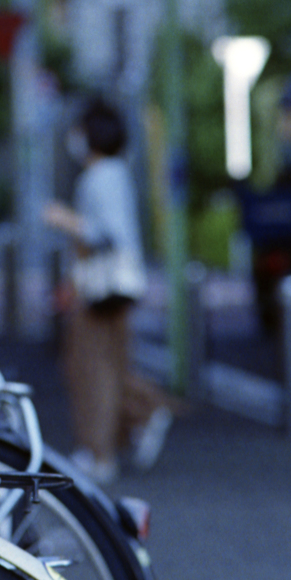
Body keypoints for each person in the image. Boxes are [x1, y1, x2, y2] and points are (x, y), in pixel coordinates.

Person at [44, 97, 176, 484]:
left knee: (90, 368)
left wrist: (65, 220)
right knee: (112, 363)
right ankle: (143, 413)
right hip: (116, 285)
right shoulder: (117, 173)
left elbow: (103, 234)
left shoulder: (99, 177)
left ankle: (100, 450)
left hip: (99, 287)